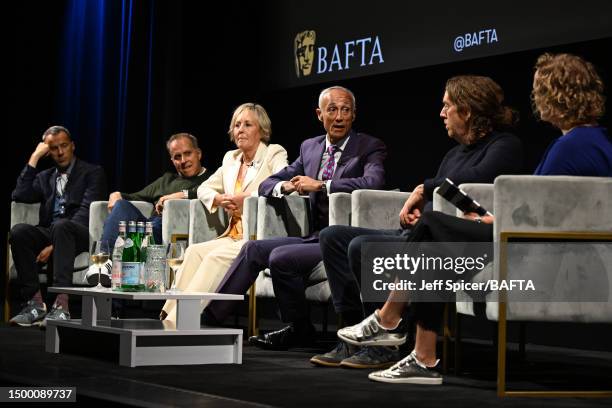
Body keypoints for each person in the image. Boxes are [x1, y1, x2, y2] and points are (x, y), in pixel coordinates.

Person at [339, 53, 612, 385]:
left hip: (533, 256)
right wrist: (490, 219)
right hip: (533, 245)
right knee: (433, 241)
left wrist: (495, 224)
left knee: (433, 226)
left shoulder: (569, 147)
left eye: (539, 92)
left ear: (552, 96)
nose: (536, 100)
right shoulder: (594, 141)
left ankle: (390, 320)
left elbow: (540, 222)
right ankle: (419, 355)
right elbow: (543, 213)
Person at [312, 75, 524, 368]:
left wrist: (425, 189)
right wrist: (419, 209)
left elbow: (472, 183)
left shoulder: (504, 145)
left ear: (467, 110)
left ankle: (383, 344)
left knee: (361, 246)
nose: (441, 113)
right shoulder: (453, 153)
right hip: (424, 232)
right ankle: (352, 339)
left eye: (447, 106)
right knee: (334, 236)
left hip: (458, 243)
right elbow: (443, 191)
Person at [203, 86, 387, 349]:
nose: (339, 117)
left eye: (346, 110)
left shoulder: (369, 146)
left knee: (281, 258)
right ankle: (209, 320)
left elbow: (374, 181)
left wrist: (322, 185)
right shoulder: (311, 148)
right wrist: (284, 187)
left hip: (345, 239)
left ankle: (297, 328)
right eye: (332, 110)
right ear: (319, 114)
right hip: (314, 237)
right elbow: (269, 183)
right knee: (253, 248)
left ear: (354, 115)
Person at [160, 103, 288, 324]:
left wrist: (247, 197)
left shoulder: (274, 153)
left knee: (213, 257)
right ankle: (166, 314)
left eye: (248, 124)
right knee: (194, 252)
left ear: (262, 130)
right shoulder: (231, 159)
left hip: (256, 238)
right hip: (232, 235)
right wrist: (218, 199)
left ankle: (180, 321)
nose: (240, 129)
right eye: (237, 125)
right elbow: (203, 188)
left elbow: (281, 182)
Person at [9, 126, 107, 326]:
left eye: (64, 146)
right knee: (19, 232)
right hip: (50, 230)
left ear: (73, 146)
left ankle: (62, 306)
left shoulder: (92, 172)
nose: (60, 152)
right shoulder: (45, 177)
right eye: (53, 148)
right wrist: (34, 157)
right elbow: (19, 194)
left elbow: (86, 210)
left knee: (62, 227)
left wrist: (53, 246)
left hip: (79, 232)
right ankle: (35, 304)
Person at [90, 132, 209, 285]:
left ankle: (113, 279)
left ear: (198, 154)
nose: (183, 160)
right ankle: (103, 262)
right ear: (172, 160)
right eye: (177, 157)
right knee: (122, 206)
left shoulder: (210, 179)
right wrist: (116, 194)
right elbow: (134, 197)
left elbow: (214, 194)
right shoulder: (167, 180)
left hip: (169, 234)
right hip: (146, 229)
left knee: (129, 239)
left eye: (187, 154)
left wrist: (179, 195)